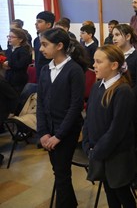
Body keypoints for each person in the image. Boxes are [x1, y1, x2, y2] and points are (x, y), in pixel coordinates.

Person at [37, 28, 89, 208]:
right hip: (50, 129)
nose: (41, 49)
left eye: (45, 45)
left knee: (61, 172)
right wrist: (43, 132)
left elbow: (75, 107)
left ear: (59, 46)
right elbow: (41, 103)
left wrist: (58, 136)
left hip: (66, 130)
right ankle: (70, 203)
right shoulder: (45, 69)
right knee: (59, 171)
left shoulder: (73, 70)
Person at [82, 45, 136, 208]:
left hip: (116, 154)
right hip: (100, 151)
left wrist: (97, 150)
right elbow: (89, 118)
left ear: (113, 65)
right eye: (94, 61)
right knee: (109, 193)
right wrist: (86, 143)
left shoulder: (123, 91)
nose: (94, 66)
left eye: (99, 62)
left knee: (121, 193)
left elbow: (117, 129)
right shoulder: (97, 86)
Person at [112, 24, 137, 137]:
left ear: (128, 37)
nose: (114, 38)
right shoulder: (114, 57)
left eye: (117, 35)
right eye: (113, 35)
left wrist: (124, 97)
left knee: (129, 137)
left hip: (133, 104)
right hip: (115, 102)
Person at [4, 28, 33, 94]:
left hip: (18, 80)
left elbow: (20, 65)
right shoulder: (9, 49)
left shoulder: (23, 51)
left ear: (20, 39)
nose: (9, 39)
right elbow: (6, 61)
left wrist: (9, 64)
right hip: (8, 77)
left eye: (12, 37)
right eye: (8, 36)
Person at [34, 11, 55, 81]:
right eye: (36, 21)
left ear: (48, 24)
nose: (36, 24)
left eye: (39, 22)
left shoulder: (54, 40)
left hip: (50, 74)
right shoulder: (36, 40)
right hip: (39, 73)